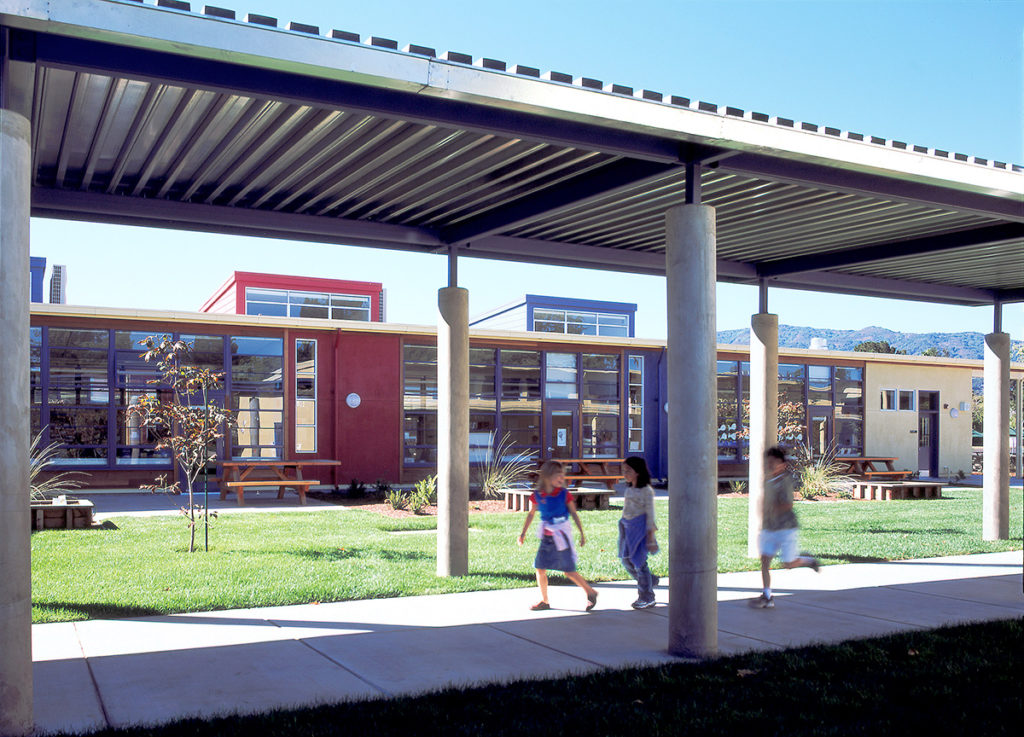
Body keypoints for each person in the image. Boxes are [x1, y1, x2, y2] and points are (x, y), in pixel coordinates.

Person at [517, 460, 599, 612]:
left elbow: (574, 513)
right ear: (547, 476)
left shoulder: (564, 494)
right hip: (547, 538)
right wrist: (523, 533)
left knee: (568, 570)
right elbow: (531, 514)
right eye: (558, 475)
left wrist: (581, 533)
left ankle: (590, 591)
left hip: (561, 536)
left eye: (563, 475)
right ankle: (544, 600)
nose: (562, 478)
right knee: (540, 567)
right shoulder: (538, 495)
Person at [749, 446, 821, 609]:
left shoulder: (786, 482)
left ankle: (808, 561)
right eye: (768, 463)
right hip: (769, 528)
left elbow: (788, 504)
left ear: (783, 465)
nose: (770, 466)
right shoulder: (766, 480)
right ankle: (767, 596)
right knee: (765, 561)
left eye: (774, 463)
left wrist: (772, 510)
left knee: (787, 564)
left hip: (786, 528)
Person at [618, 456, 660, 609]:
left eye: (628, 470)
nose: (625, 473)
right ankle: (649, 580)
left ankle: (647, 597)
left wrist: (651, 538)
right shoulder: (629, 489)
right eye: (624, 470)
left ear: (638, 471)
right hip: (627, 529)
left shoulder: (646, 491)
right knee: (626, 560)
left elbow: (650, 514)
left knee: (639, 563)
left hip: (640, 531)